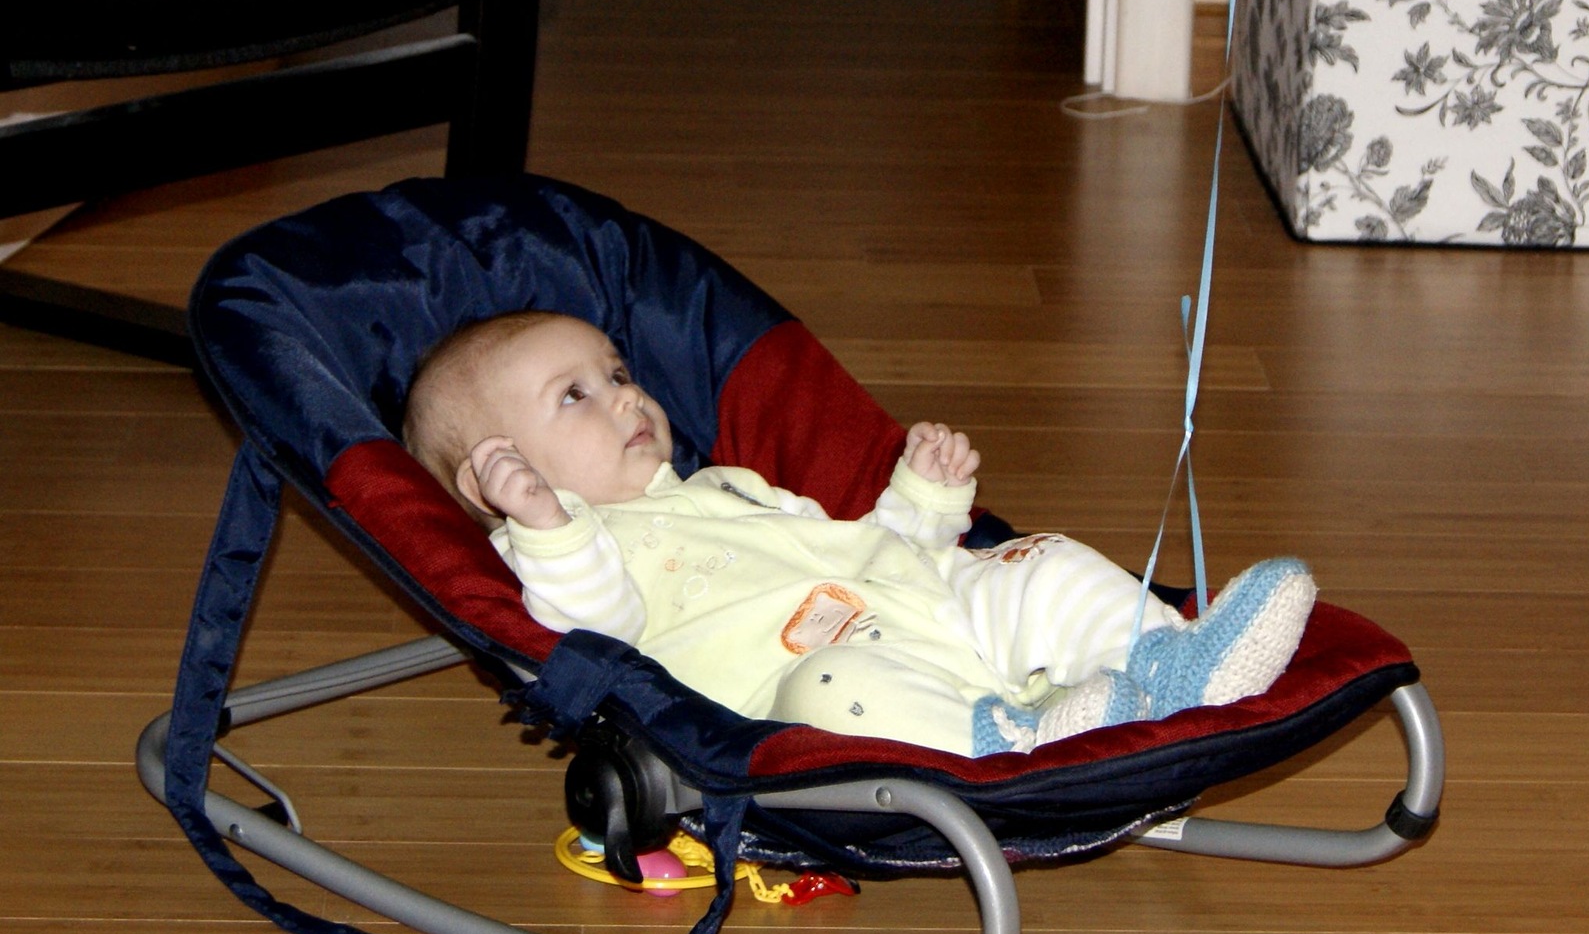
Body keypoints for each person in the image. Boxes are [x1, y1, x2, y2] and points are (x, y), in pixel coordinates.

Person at [402, 310, 1314, 759]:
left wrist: (922, 500)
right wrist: (546, 525)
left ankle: (1168, 660)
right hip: (815, 676)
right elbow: (592, 626)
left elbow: (864, 548)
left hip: (924, 609)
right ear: (496, 475)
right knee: (833, 690)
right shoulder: (555, 552)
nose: (626, 396)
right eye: (574, 396)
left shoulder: (728, 486)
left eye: (615, 372)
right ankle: (1019, 741)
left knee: (1037, 563)